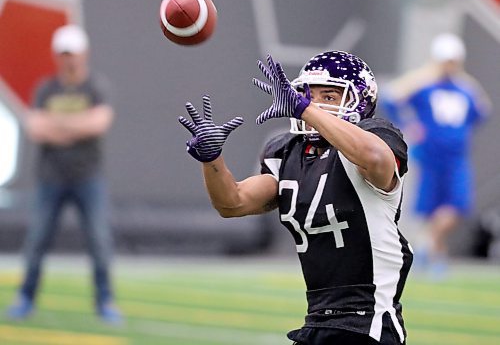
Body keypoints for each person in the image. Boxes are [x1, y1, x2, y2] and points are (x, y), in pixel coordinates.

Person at [179, 51, 413, 344]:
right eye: (307, 96)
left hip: (368, 323)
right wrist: (212, 160)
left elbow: (376, 158)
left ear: (360, 101)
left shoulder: (376, 137)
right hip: (317, 321)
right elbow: (232, 202)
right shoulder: (287, 152)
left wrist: (304, 109)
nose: (313, 105)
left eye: (328, 97)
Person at [6, 24, 122, 324]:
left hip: (88, 177)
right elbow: (35, 128)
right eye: (64, 54)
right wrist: (76, 125)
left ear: (84, 54)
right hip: (51, 177)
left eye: (73, 54)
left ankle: (105, 301)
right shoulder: (46, 88)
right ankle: (26, 297)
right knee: (37, 241)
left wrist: (56, 124)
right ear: (57, 57)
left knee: (99, 240)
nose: (69, 60)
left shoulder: (96, 86)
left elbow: (98, 124)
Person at [382, 33, 491, 277]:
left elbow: (482, 111)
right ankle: (436, 254)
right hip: (430, 155)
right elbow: (392, 96)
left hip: (456, 156)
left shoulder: (465, 87)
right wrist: (409, 124)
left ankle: (427, 245)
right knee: (430, 208)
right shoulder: (424, 84)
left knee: (457, 205)